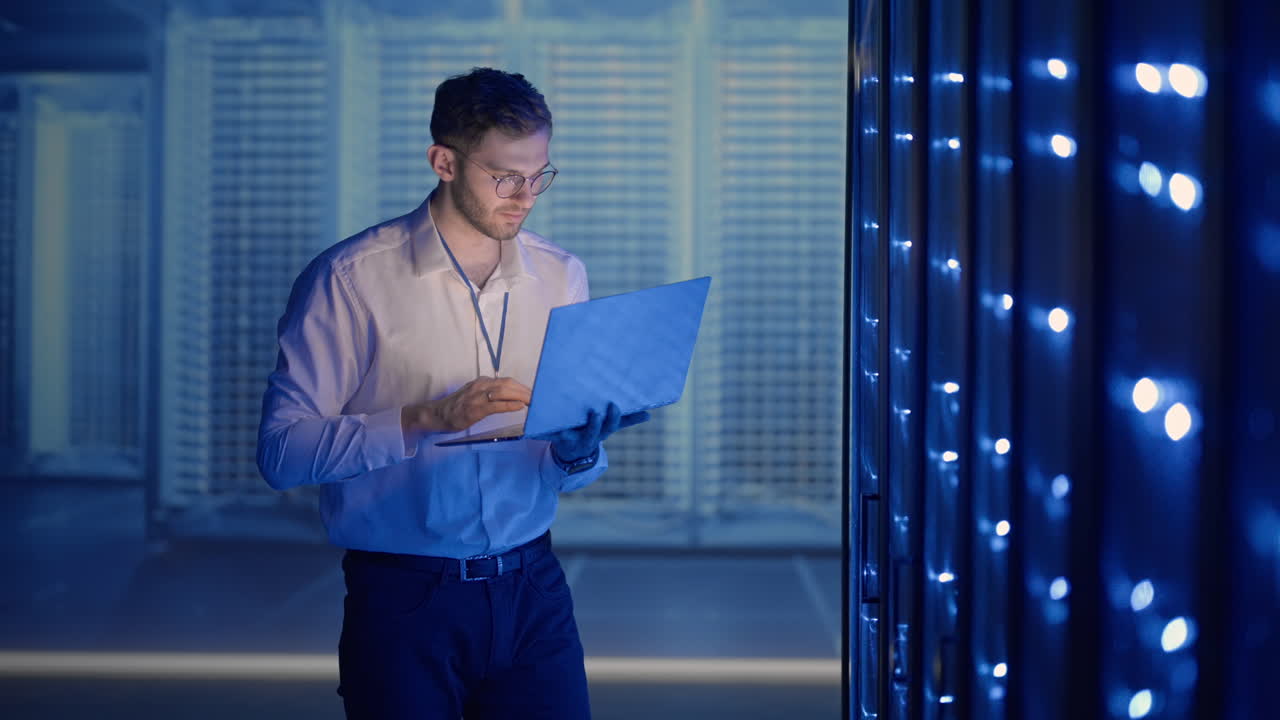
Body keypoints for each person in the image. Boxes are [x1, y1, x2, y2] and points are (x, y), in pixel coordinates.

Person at [256, 67, 648, 719]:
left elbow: (564, 471)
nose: (526, 197)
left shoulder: (560, 275)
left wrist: (579, 450)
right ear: (443, 161)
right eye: (505, 177)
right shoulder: (350, 280)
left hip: (533, 591)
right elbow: (281, 454)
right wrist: (426, 418)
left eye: (539, 175)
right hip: (404, 599)